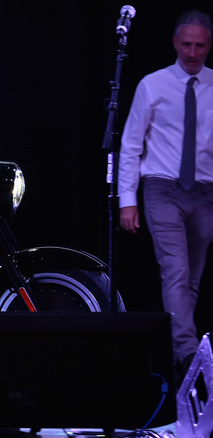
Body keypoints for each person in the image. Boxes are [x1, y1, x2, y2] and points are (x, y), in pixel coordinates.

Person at [119, 9, 213, 376]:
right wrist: (128, 200)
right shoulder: (153, 85)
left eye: (200, 45)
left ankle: (177, 359)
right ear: (175, 43)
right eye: (186, 44)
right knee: (175, 271)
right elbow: (130, 145)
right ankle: (191, 355)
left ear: (208, 46)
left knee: (191, 279)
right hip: (162, 189)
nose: (192, 52)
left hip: (204, 192)